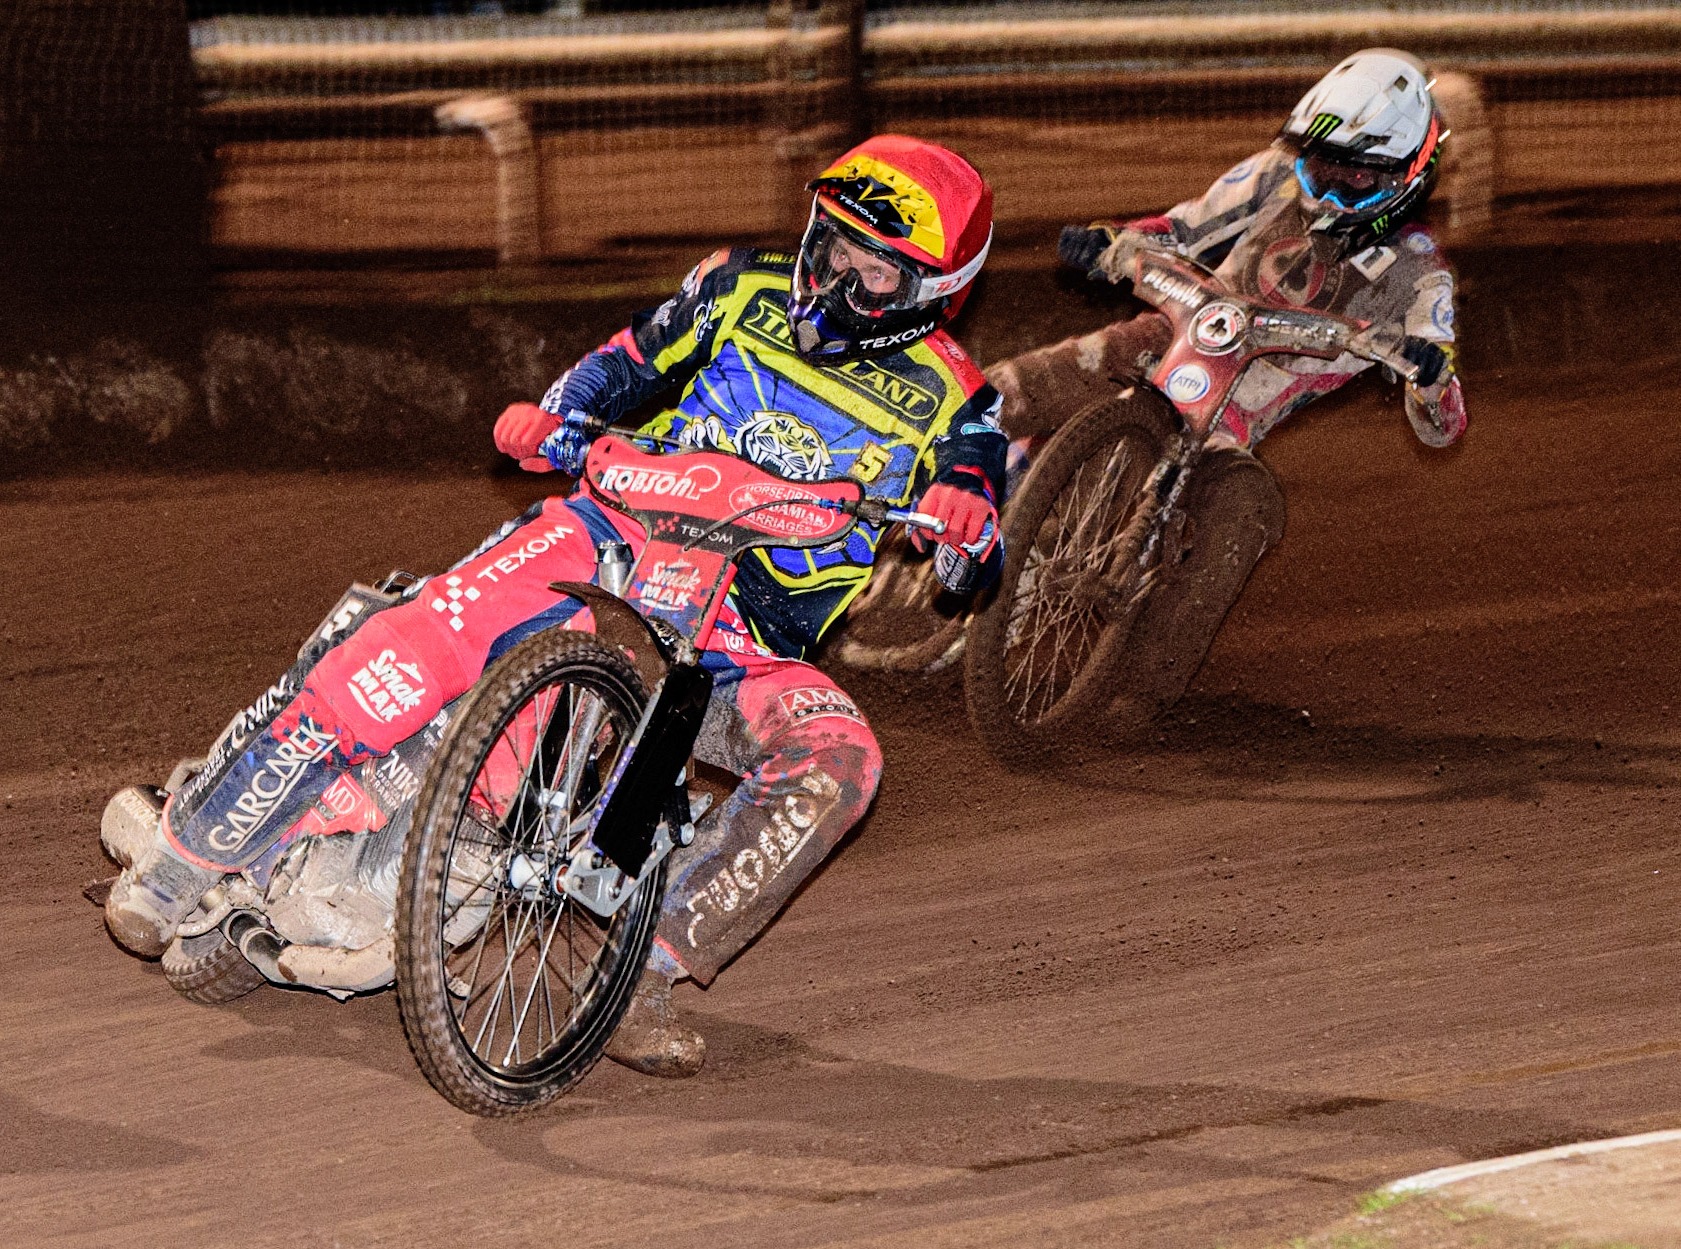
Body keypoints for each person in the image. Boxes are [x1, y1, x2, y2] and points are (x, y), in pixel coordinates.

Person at [103, 134, 1009, 1078]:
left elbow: (973, 550)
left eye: (874, 272)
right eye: (833, 245)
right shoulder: (742, 283)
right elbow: (624, 361)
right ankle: (191, 848)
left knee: (841, 756)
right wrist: (558, 414)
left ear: (932, 295)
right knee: (423, 632)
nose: (836, 278)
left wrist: (963, 526)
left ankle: (643, 973)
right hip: (614, 534)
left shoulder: (958, 401)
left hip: (745, 641)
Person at [994, 47, 1467, 455]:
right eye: (1320, 170)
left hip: (1238, 407)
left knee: (1235, 500)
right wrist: (1113, 239)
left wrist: (1430, 381)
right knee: (1018, 386)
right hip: (1176, 331)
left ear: (1410, 175)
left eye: (1356, 180)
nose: (1328, 195)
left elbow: (1443, 429)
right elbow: (1185, 226)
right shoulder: (1276, 174)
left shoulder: (1420, 275)